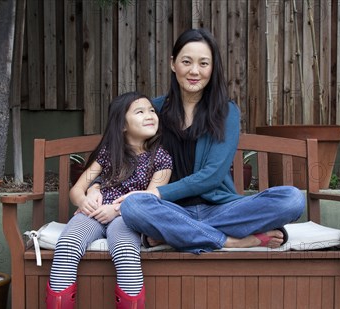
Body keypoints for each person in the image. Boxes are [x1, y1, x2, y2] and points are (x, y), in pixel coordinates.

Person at [114, 28, 305, 254]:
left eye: (204, 64)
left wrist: (156, 195)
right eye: (187, 62)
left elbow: (212, 176)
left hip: (221, 209)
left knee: (292, 199)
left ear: (212, 68)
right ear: (173, 64)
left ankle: (175, 234)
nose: (194, 71)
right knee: (134, 207)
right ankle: (231, 241)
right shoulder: (152, 110)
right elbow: (121, 150)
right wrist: (96, 188)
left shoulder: (225, 112)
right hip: (171, 210)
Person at [38, 92, 172, 309]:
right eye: (139, 112)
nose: (149, 115)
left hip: (127, 218)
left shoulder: (161, 157)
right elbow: (77, 189)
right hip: (93, 213)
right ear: (122, 125)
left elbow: (151, 198)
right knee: (68, 243)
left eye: (151, 110)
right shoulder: (109, 153)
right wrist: (85, 200)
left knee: (125, 250)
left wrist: (115, 209)